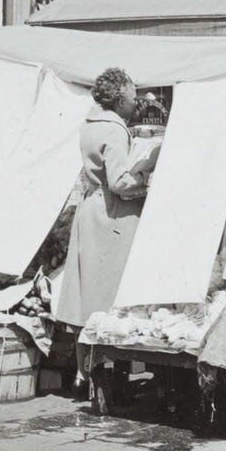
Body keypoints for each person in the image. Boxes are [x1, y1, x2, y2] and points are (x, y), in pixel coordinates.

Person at [52, 67, 148, 329]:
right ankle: (111, 355)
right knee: (110, 292)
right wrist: (145, 179)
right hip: (112, 213)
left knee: (88, 291)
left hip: (92, 205)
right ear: (119, 101)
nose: (135, 105)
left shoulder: (91, 124)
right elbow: (119, 182)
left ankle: (86, 365)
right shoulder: (114, 129)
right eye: (133, 100)